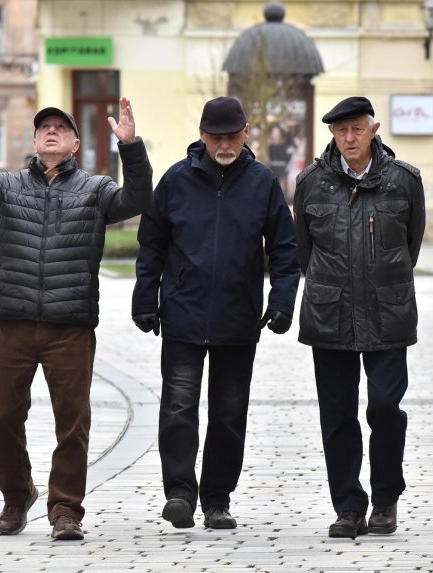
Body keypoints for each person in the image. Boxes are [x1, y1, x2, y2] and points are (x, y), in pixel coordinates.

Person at [0, 99, 152, 540]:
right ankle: (18, 495)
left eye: (61, 128)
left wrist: (130, 148)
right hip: (14, 322)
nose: (51, 132)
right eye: (44, 128)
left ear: (75, 144)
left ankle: (65, 510)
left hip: (70, 325)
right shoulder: (8, 186)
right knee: (0, 418)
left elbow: (137, 199)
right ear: (35, 141)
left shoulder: (96, 189)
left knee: (72, 421)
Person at [131, 96, 300, 530]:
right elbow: (151, 245)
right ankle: (181, 495)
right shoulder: (175, 181)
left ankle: (217, 499)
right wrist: (144, 297)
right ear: (202, 136)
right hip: (183, 316)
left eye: (232, 136)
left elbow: (285, 250)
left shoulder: (263, 183)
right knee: (178, 408)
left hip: (238, 320)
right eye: (215, 136)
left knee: (228, 415)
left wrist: (282, 302)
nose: (224, 144)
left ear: (246, 135)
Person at [293, 96, 425, 539]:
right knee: (337, 415)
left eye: (357, 129)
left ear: (374, 129)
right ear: (332, 134)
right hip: (329, 314)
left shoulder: (404, 181)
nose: (349, 138)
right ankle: (348, 505)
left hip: (389, 312)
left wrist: (382, 281)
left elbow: (411, 245)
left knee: (386, 408)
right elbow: (303, 251)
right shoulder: (311, 182)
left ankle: (385, 500)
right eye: (341, 130)